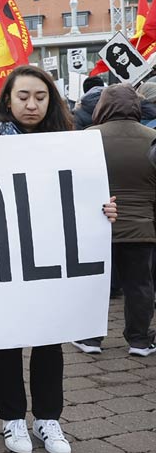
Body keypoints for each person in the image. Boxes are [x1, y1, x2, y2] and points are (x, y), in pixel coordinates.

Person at [0, 65, 117, 453]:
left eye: (40, 97)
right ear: (7, 100)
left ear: (52, 100)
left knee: (48, 338)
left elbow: (87, 196)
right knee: (6, 339)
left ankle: (47, 418)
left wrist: (105, 208)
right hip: (5, 258)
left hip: (51, 258)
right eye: (23, 96)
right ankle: (11, 418)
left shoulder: (71, 145)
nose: (31, 104)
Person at [72, 84, 156, 357]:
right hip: (142, 226)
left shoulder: (87, 138)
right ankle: (139, 341)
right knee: (140, 285)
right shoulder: (152, 137)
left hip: (97, 225)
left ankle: (90, 339)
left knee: (95, 283)